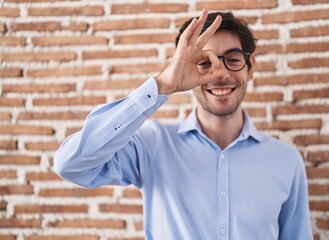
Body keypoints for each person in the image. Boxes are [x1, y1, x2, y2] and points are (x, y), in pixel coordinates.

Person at [54, 9, 313, 240]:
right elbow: (71, 164)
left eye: (233, 60)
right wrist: (162, 84)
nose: (220, 74)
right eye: (204, 62)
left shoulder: (286, 161)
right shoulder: (152, 145)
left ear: (250, 67)